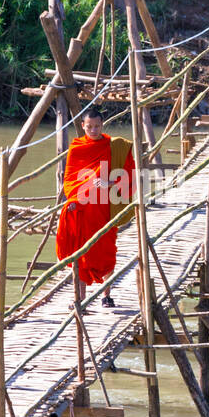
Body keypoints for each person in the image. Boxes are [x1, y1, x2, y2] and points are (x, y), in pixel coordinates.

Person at [55, 108, 135, 307]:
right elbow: (70, 179)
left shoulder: (114, 146)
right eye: (89, 126)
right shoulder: (77, 148)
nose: (93, 130)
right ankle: (80, 298)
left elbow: (130, 172)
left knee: (106, 251)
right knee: (81, 254)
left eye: (97, 126)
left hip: (105, 208)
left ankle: (106, 296)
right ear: (83, 126)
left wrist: (112, 182)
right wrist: (73, 199)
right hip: (83, 209)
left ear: (102, 125)